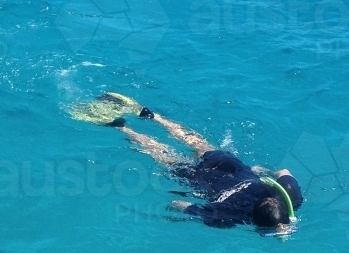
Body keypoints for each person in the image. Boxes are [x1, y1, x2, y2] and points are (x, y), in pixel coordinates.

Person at [83, 93, 302, 233]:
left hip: (229, 167)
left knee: (197, 143)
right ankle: (121, 127)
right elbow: (180, 205)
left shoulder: (289, 194)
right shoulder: (227, 219)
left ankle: (152, 116)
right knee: (163, 155)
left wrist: (260, 171)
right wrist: (173, 215)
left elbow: (283, 170)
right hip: (202, 180)